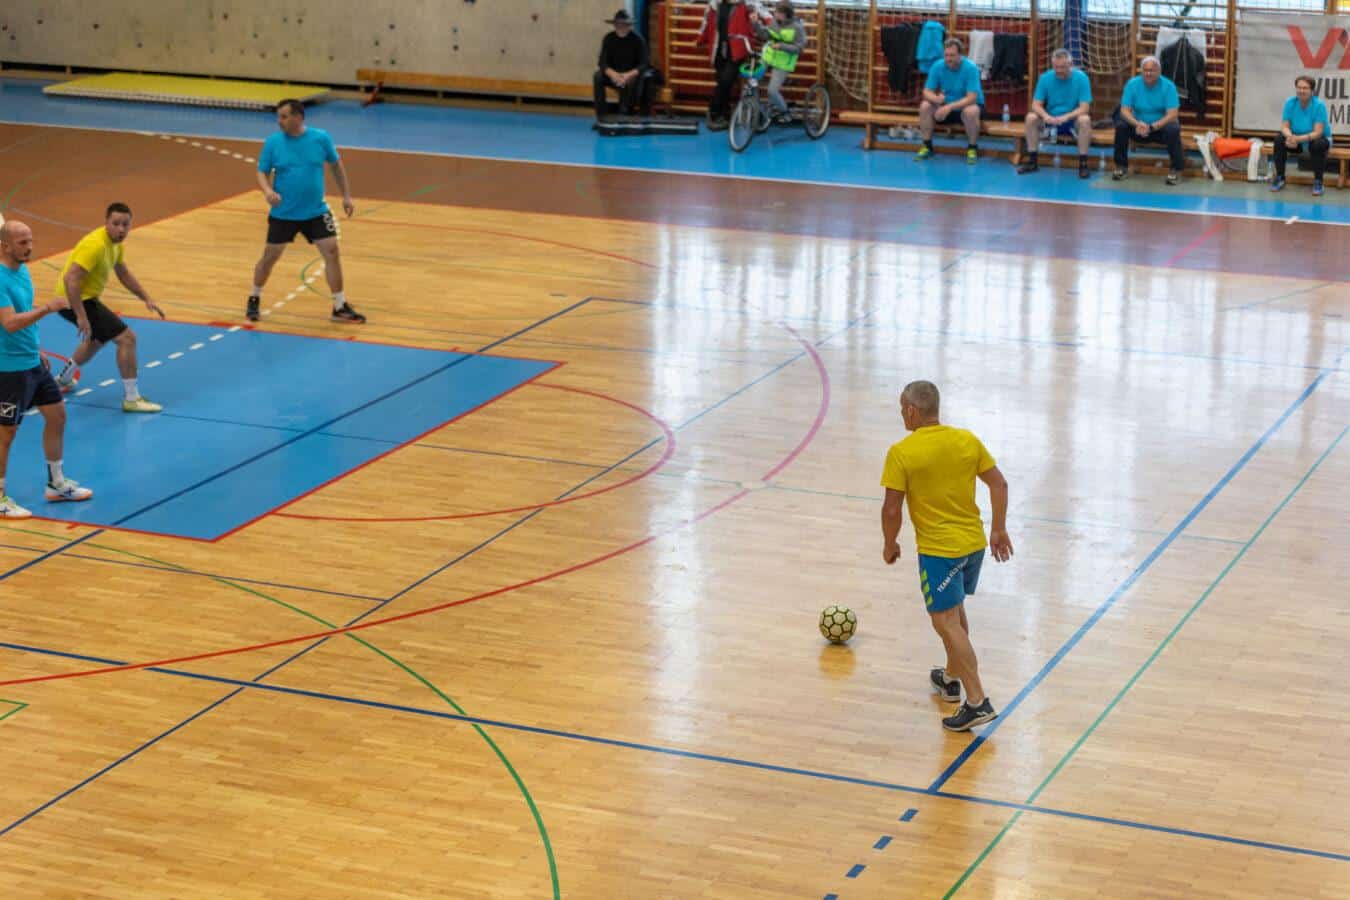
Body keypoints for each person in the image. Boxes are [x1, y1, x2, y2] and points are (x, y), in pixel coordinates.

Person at [879, 381, 1012, 732]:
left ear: (911, 410)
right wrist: (999, 529)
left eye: (901, 408)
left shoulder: (902, 452)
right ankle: (951, 679)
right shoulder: (966, 440)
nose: (901, 415)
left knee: (946, 623)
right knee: (955, 612)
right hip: (973, 545)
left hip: (940, 552)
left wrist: (890, 544)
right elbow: (999, 484)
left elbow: (892, 509)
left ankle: (977, 700)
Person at [0, 220, 94, 519]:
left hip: (31, 361)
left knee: (57, 416)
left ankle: (56, 483)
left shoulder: (22, 271)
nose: (29, 247)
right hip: (8, 369)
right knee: (6, 433)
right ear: (4, 246)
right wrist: (47, 308)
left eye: (30, 241)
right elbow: (9, 323)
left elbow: (22, 317)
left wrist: (36, 349)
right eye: (22, 243)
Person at [247, 99, 364, 324]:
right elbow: (262, 171)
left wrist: (346, 196)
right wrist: (268, 191)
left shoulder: (321, 138)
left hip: (315, 212)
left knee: (331, 251)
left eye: (284, 116)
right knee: (270, 257)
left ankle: (339, 306)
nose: (279, 121)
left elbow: (336, 166)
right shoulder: (273, 143)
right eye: (278, 116)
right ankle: (254, 297)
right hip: (284, 213)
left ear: (298, 117)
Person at [52, 203, 164, 413]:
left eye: (125, 224)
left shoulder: (116, 244)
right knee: (127, 339)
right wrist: (81, 316)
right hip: (72, 299)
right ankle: (132, 399)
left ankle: (64, 379)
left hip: (85, 298)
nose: (121, 229)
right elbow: (71, 279)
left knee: (97, 340)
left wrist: (146, 298)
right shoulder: (95, 245)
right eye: (116, 224)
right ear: (106, 223)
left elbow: (123, 273)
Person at [1019, 48, 1093, 178]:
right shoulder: (1045, 78)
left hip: (1071, 121)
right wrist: (1045, 116)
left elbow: (1085, 108)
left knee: (1085, 120)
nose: (1059, 70)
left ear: (1071, 65)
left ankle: (1083, 164)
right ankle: (1032, 161)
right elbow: (1035, 105)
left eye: (1062, 67)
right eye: (1056, 67)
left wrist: (1067, 117)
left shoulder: (1082, 78)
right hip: (1051, 120)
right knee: (1031, 117)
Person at [1113, 57, 1184, 185]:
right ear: (1141, 71)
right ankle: (1121, 166)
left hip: (1159, 129)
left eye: (1152, 70)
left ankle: (1176, 170)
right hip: (1138, 128)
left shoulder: (1169, 86)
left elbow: (1173, 114)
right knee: (1121, 125)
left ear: (1159, 71)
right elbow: (1124, 111)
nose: (1148, 73)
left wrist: (1152, 126)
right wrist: (1137, 123)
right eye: (1145, 70)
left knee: (1173, 128)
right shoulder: (1132, 84)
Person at [917, 38, 984, 164]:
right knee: (925, 105)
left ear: (960, 55)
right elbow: (926, 91)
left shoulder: (971, 68)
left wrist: (949, 107)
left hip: (966, 106)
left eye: (952, 55)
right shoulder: (937, 66)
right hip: (945, 107)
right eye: (946, 55)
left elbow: (972, 98)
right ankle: (927, 146)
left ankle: (972, 148)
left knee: (971, 111)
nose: (948, 59)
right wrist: (936, 99)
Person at [698, 0, 759, 131]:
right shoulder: (714, 5)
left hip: (737, 50)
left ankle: (713, 112)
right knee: (723, 82)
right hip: (718, 49)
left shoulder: (747, 4)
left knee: (726, 81)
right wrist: (700, 39)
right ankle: (724, 114)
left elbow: (764, 16)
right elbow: (706, 23)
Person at [1271, 75, 1332, 198]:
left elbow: (1318, 132)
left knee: (1317, 144)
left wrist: (1297, 139)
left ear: (1312, 90)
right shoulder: (1290, 103)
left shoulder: (1319, 105)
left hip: (1315, 139)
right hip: (1296, 140)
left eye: (1305, 88)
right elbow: (1284, 126)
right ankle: (1280, 177)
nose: (1301, 91)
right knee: (1279, 139)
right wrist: (1290, 137)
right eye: (1299, 87)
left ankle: (1318, 182)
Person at [593, 10, 657, 120]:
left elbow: (644, 64)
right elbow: (602, 62)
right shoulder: (608, 38)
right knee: (597, 76)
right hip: (614, 74)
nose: (621, 27)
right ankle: (601, 113)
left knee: (630, 83)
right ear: (614, 25)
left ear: (629, 25)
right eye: (618, 24)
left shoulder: (638, 40)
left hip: (631, 74)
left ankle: (625, 111)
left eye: (624, 24)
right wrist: (613, 74)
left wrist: (627, 75)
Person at [752, 1, 807, 124]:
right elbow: (765, 35)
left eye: (777, 12)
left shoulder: (797, 28)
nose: (774, 13)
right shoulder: (774, 22)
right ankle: (757, 110)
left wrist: (782, 46)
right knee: (753, 79)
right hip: (769, 56)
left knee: (772, 91)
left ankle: (785, 112)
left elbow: (800, 48)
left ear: (785, 14)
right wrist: (756, 24)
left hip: (783, 62)